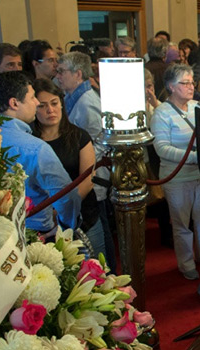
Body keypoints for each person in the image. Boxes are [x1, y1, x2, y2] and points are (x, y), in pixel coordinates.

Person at [0, 71, 80, 236]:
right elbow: (66, 197)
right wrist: (66, 227)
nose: (37, 102)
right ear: (14, 103)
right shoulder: (35, 148)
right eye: (32, 97)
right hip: (35, 235)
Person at [56, 51, 117, 270]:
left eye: (62, 71)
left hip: (92, 176)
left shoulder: (87, 102)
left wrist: (84, 163)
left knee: (100, 227)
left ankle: (108, 272)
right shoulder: (74, 97)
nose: (58, 76)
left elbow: (100, 142)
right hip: (86, 174)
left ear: (78, 73)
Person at [32, 78, 105, 257]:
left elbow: (87, 180)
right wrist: (50, 214)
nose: (50, 110)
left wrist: (61, 210)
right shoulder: (31, 142)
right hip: (46, 219)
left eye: (54, 103)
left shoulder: (78, 135)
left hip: (84, 213)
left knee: (101, 268)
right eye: (42, 106)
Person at [150, 64, 200, 280]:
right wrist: (194, 156)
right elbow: (161, 148)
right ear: (171, 87)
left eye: (192, 82)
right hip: (176, 177)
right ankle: (186, 264)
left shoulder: (197, 107)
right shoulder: (161, 113)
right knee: (182, 224)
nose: (191, 86)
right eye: (185, 83)